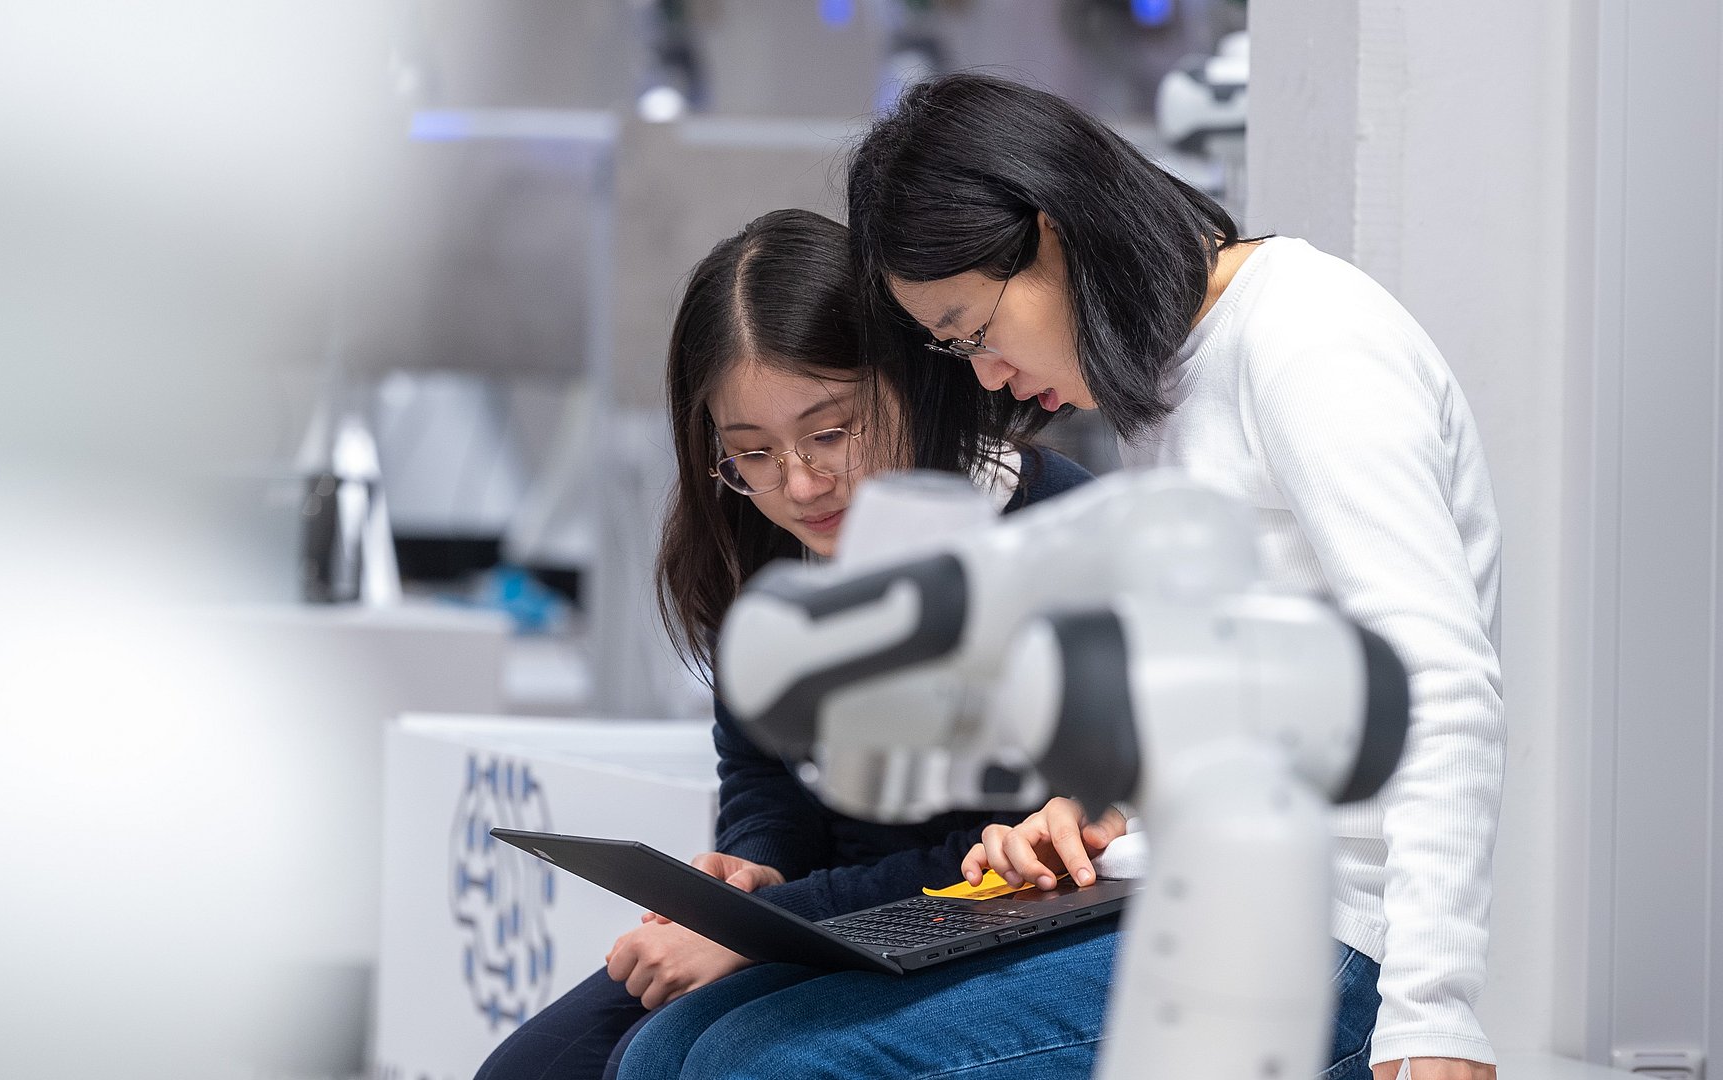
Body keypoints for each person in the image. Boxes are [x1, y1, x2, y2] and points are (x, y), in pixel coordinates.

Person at [618, 74, 1502, 1080]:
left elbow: (1437, 681)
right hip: (1159, 886)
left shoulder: (1308, 342)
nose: (985, 376)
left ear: (1051, 237)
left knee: (759, 1071)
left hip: (1316, 929)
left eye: (974, 329)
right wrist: (1095, 812)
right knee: (679, 1049)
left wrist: (1435, 1020)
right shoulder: (1169, 388)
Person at [473, 207, 1096, 1080]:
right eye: (752, 453)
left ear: (912, 376)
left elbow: (1012, 838)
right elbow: (767, 780)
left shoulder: (1048, 532)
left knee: (676, 1063)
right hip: (834, 919)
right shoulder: (760, 552)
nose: (800, 483)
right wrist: (754, 873)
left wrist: (770, 928)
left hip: (994, 917)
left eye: (831, 432)